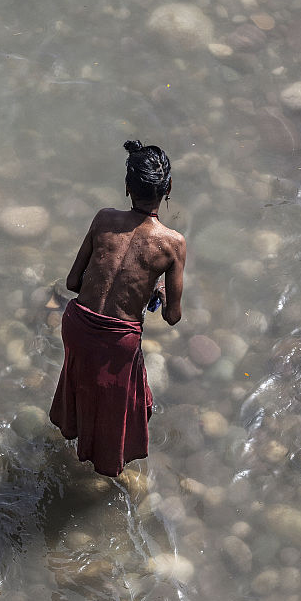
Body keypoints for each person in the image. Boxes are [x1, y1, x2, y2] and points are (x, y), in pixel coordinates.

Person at [50, 140, 187, 476]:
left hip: (78, 324)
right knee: (124, 406)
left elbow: (72, 282)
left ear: (127, 186)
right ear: (168, 188)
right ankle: (107, 466)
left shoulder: (104, 219)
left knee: (83, 383)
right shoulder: (173, 243)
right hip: (117, 340)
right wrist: (157, 291)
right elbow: (172, 316)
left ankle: (75, 435)